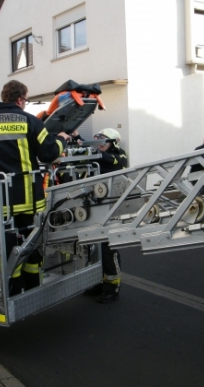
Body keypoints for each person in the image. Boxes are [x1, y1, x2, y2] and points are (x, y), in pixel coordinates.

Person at [0, 80, 70, 295]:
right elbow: (48, 153)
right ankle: (32, 291)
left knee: (3, 250)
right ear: (20, 99)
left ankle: (9, 293)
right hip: (28, 200)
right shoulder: (30, 122)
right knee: (31, 248)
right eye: (26, 100)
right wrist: (61, 140)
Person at [85, 128, 128, 303]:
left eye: (104, 141)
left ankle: (112, 286)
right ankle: (98, 282)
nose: (100, 145)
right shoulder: (96, 156)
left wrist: (93, 149)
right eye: (97, 141)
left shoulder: (120, 156)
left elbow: (114, 162)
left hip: (111, 208)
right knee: (92, 247)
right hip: (95, 207)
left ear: (114, 143)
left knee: (107, 248)